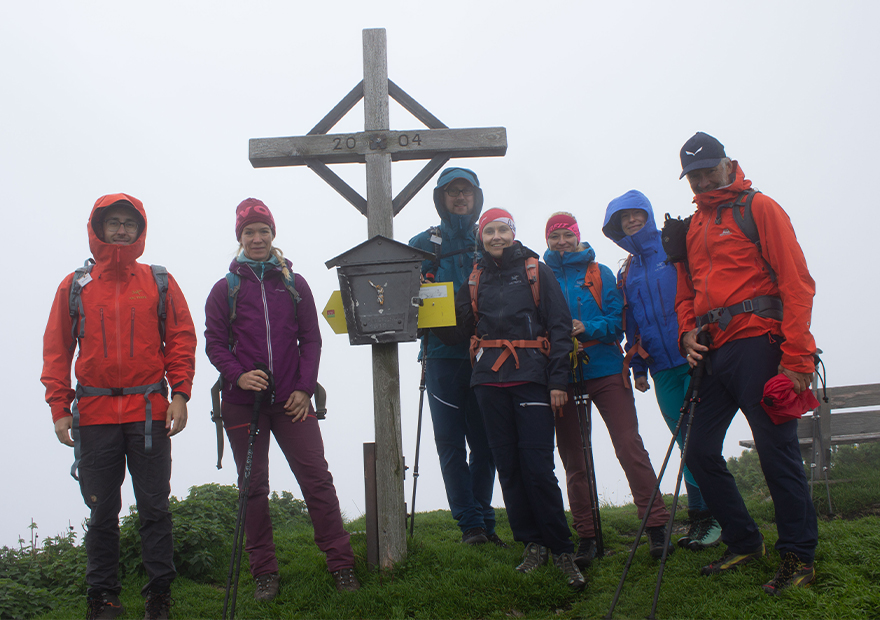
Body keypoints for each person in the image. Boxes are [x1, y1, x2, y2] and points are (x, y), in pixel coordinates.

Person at [675, 132, 818, 594]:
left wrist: (796, 358)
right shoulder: (693, 225)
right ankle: (744, 540)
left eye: (708, 171)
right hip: (714, 351)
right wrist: (686, 333)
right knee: (698, 451)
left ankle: (797, 555)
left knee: (776, 453)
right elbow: (688, 292)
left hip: (760, 343)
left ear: (729, 164)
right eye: (693, 175)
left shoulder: (760, 208)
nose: (701, 181)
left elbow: (797, 282)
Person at [41, 194, 197, 620]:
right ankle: (103, 598)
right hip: (93, 415)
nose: (122, 229)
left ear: (140, 229)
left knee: (154, 507)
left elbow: (181, 339)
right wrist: (60, 406)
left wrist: (179, 394)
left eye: (130, 222)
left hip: (149, 411)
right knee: (101, 509)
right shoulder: (75, 286)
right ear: (99, 228)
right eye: (114, 222)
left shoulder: (158, 280)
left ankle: (158, 596)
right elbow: (56, 349)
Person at [204, 198, 359, 598]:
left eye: (263, 231)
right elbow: (215, 345)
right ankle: (264, 574)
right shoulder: (225, 289)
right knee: (253, 488)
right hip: (243, 403)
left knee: (317, 480)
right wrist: (238, 376)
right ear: (239, 237)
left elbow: (311, 339)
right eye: (249, 232)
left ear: (274, 235)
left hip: (292, 401)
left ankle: (341, 564)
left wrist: (304, 389)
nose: (257, 238)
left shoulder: (295, 284)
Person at [434, 208, 585, 590]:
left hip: (533, 378)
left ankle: (562, 549)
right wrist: (422, 309)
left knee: (537, 466)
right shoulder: (476, 276)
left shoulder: (535, 270)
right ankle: (532, 545)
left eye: (503, 229)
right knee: (509, 468)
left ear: (513, 233)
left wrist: (557, 382)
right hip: (488, 383)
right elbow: (460, 328)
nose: (497, 236)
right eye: (490, 231)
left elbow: (560, 326)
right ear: (481, 237)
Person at [543, 212, 672, 566]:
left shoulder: (599, 273)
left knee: (629, 445)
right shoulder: (539, 276)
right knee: (574, 457)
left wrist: (587, 326)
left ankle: (656, 524)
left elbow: (618, 323)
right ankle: (586, 534)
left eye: (567, 235)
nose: (561, 242)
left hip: (605, 368)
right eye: (554, 237)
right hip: (561, 376)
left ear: (577, 236)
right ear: (547, 241)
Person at [602, 190, 722, 551]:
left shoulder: (676, 247)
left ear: (649, 214)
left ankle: (715, 516)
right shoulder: (628, 270)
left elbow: (702, 290)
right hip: (661, 369)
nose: (632, 221)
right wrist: (638, 366)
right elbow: (633, 323)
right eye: (624, 219)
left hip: (696, 357)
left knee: (700, 440)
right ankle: (702, 518)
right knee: (685, 442)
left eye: (637, 214)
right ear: (617, 226)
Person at [407, 167, 502, 546]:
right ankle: (471, 525)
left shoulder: (491, 240)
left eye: (466, 191)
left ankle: (483, 518)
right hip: (442, 356)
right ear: (441, 198)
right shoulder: (423, 244)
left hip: (488, 354)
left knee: (486, 443)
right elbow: (404, 300)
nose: (460, 198)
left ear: (476, 197)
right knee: (450, 442)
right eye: (452, 192)